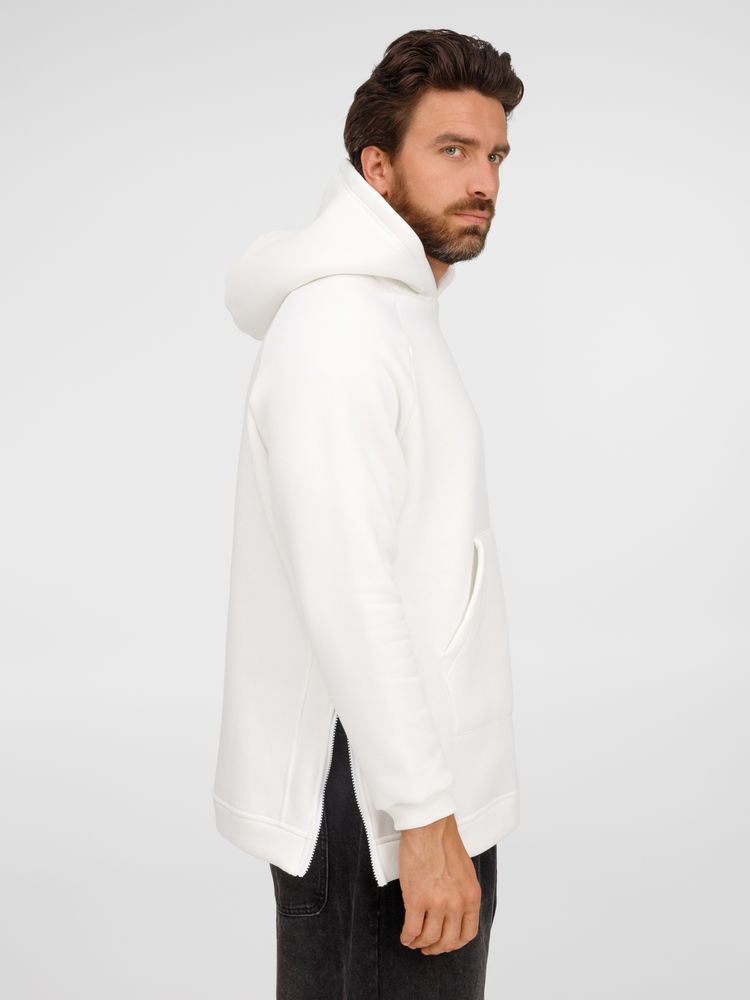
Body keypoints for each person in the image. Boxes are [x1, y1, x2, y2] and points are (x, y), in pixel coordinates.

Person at [212, 27, 525, 999]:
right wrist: (424, 818)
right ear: (376, 167)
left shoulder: (391, 314)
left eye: (496, 155)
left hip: (408, 782)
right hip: (377, 804)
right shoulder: (338, 330)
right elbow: (347, 586)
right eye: (453, 150)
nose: (483, 180)